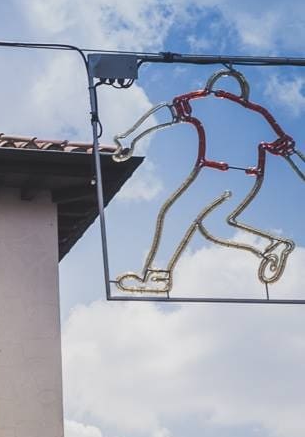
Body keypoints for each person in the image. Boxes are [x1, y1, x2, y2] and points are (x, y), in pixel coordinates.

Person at [113, 68, 305, 296]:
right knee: (215, 225)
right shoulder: (258, 113)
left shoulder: (205, 102)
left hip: (216, 173)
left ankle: (158, 277)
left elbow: (166, 112)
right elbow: (288, 150)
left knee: (176, 213)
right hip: (246, 180)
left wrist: (129, 140)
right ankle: (271, 246)